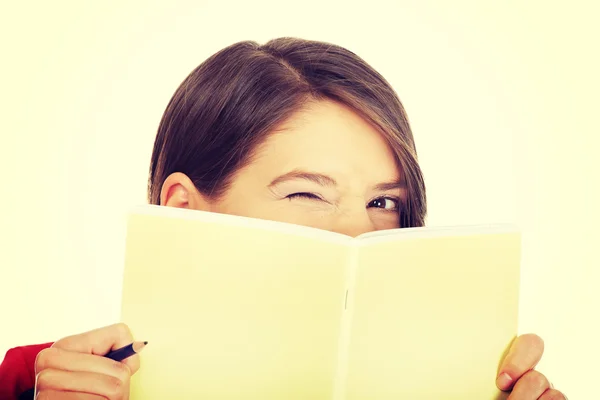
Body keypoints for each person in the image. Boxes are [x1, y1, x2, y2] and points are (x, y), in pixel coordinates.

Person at [0, 37, 566, 400]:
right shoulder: (39, 384)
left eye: (383, 203)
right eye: (306, 194)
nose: (358, 233)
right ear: (184, 210)